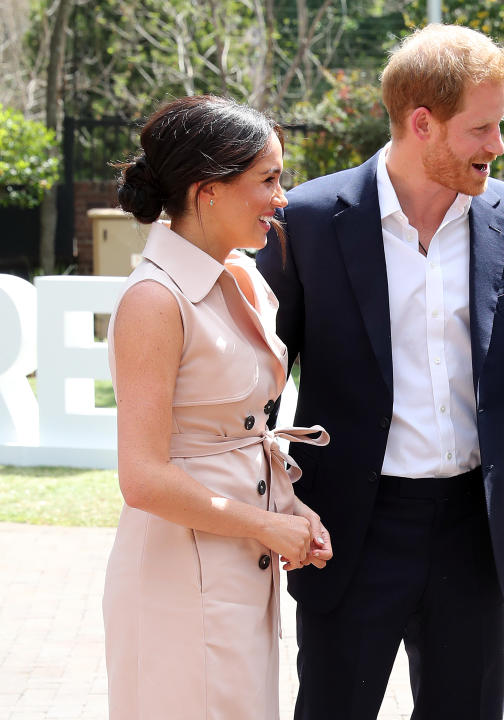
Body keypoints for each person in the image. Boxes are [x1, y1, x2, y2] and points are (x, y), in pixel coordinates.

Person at [255, 23, 504, 720]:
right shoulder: (311, 221)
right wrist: (277, 503)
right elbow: (258, 383)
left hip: (474, 530)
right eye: (482, 128)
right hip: (352, 529)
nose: (497, 146)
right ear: (423, 124)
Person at [103, 95, 333, 720]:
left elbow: (242, 430)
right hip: (178, 575)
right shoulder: (154, 299)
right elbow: (142, 478)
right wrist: (264, 525)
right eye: (268, 180)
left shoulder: (245, 276)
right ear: (208, 191)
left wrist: (289, 509)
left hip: (241, 568)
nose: (281, 198)